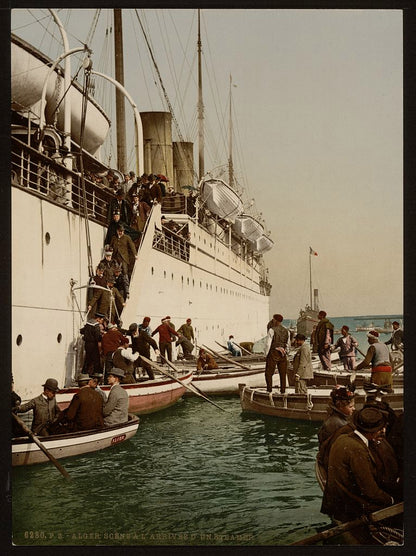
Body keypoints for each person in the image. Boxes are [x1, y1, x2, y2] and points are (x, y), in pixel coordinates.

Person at [321, 407, 394, 523]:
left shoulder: (342, 438)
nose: (384, 431)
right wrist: (391, 500)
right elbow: (369, 490)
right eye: (381, 429)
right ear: (372, 432)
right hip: (350, 509)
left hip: (336, 502)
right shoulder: (357, 449)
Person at [317, 386, 355, 471]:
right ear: (340, 407)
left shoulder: (334, 418)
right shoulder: (337, 424)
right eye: (350, 406)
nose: (354, 408)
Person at [264, 314, 289, 393]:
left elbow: (268, 344)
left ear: (275, 320)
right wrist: (286, 352)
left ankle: (269, 391)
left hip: (273, 353)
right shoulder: (287, 331)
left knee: (268, 373)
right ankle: (283, 391)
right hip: (283, 354)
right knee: (282, 374)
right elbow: (288, 344)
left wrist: (266, 355)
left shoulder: (272, 330)